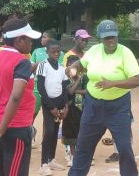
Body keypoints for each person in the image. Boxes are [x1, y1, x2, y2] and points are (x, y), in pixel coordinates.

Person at [68, 20, 139, 176]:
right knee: (83, 146)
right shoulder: (94, 50)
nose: (111, 41)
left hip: (118, 107)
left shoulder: (125, 53)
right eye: (107, 38)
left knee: (124, 148)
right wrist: (73, 68)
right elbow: (82, 65)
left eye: (113, 37)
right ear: (100, 38)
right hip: (93, 106)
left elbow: (137, 79)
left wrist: (113, 83)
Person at [0, 19, 41, 176]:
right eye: (29, 39)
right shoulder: (22, 62)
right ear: (19, 40)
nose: (32, 43)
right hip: (16, 128)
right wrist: (1, 130)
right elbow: (16, 96)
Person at [36, 40, 68, 175]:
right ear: (47, 52)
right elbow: (41, 88)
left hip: (60, 104)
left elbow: (65, 88)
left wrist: (66, 106)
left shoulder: (61, 68)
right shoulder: (43, 65)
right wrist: (51, 107)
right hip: (49, 104)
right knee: (48, 131)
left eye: (58, 51)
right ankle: (43, 164)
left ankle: (51, 159)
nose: (56, 53)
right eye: (53, 51)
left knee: (55, 132)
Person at [30, 29, 64, 147]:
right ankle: (28, 136)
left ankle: (45, 142)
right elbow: (31, 68)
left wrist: (40, 64)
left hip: (50, 90)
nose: (42, 39)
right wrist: (40, 64)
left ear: (50, 39)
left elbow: (57, 69)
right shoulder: (36, 51)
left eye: (44, 37)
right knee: (31, 115)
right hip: (36, 88)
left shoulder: (60, 54)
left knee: (48, 119)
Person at [62, 55, 86, 167]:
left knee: (82, 132)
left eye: (76, 67)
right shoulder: (65, 78)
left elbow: (88, 91)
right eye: (71, 67)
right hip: (69, 109)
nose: (74, 70)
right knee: (70, 133)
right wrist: (78, 81)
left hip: (82, 108)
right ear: (67, 66)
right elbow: (70, 92)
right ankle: (72, 156)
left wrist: (77, 90)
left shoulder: (84, 77)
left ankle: (81, 156)